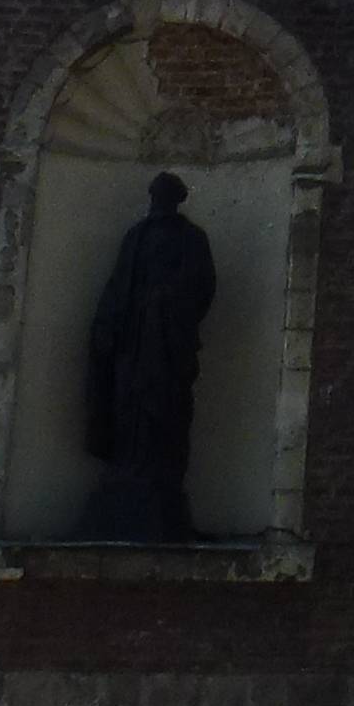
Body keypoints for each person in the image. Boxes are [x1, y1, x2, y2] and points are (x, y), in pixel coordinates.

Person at [82, 171, 217, 540]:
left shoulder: (192, 239)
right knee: (127, 401)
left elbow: (203, 287)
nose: (159, 201)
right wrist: (107, 326)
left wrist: (170, 302)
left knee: (165, 405)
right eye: (156, 195)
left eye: (165, 195)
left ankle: (159, 473)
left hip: (168, 340)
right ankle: (126, 469)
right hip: (133, 337)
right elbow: (117, 284)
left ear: (176, 199)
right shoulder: (135, 237)